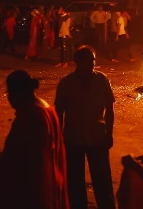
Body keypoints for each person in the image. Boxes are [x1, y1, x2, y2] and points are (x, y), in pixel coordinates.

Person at [54, 46, 115, 209]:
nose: (93, 64)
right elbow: (58, 113)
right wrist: (59, 138)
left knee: (102, 181)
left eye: (93, 60)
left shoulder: (102, 80)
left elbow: (110, 109)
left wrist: (109, 133)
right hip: (74, 139)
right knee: (75, 183)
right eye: (89, 61)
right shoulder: (66, 83)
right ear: (78, 63)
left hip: (97, 137)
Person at [0, 70, 67, 209]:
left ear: (18, 93)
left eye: (10, 93)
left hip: (34, 192)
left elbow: (23, 160)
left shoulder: (31, 115)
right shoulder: (46, 109)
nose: (9, 98)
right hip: (49, 184)